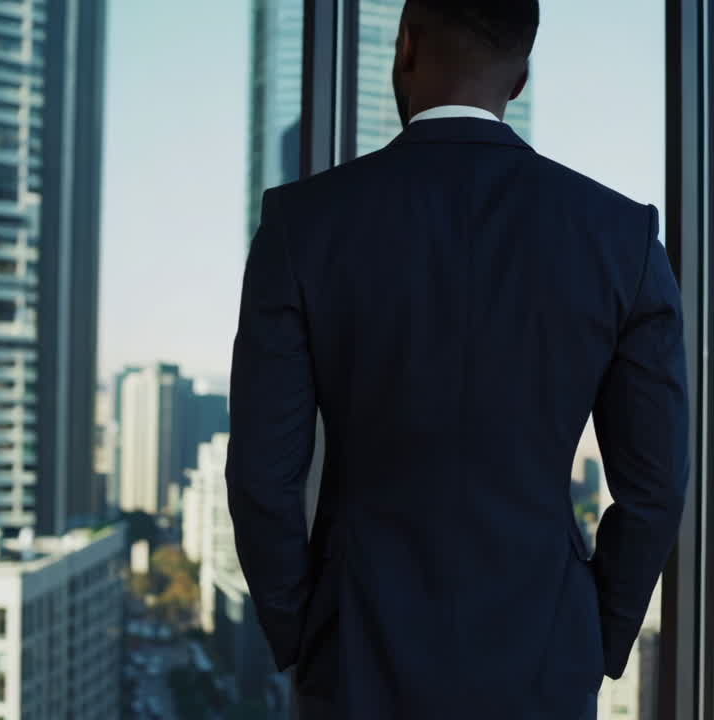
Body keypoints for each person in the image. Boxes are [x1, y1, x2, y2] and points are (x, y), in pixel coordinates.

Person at [225, 1, 689, 717]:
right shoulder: (621, 239)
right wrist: (594, 639)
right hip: (545, 659)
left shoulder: (303, 225)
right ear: (522, 75)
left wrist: (303, 636)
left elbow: (262, 475)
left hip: (357, 656)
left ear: (406, 44)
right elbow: (655, 489)